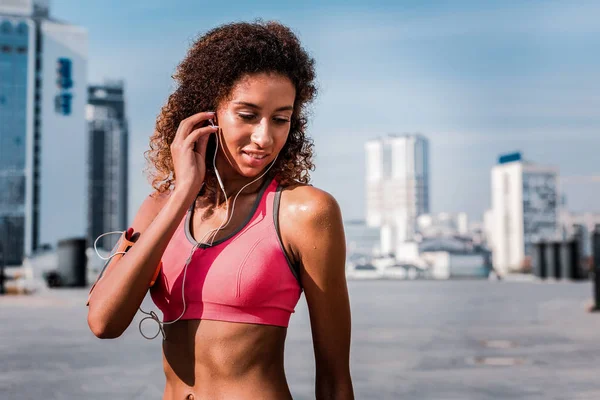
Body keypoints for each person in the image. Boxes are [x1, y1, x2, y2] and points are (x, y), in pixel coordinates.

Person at [86, 21, 354, 400]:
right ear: (207, 114)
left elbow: (335, 378)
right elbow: (103, 322)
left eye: (281, 118)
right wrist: (183, 193)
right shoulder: (160, 208)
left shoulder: (304, 212)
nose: (265, 137)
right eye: (247, 115)